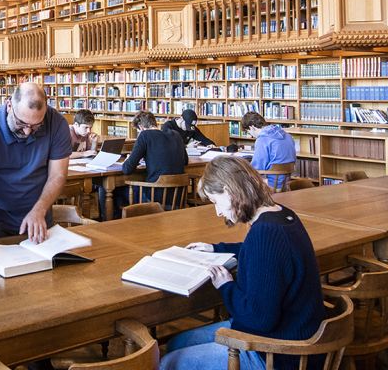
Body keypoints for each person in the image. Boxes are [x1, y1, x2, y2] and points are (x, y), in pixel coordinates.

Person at [161, 156, 326, 370]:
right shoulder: (281, 215)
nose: (218, 212)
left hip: (279, 352)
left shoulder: (265, 235)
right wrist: (215, 248)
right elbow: (259, 253)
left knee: (169, 362)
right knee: (175, 343)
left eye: (215, 201)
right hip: (294, 330)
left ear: (230, 191)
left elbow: (258, 318)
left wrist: (225, 286)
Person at [0, 82, 71, 243]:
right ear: (9, 106)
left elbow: (57, 175)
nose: (27, 131)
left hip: (40, 220)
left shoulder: (57, 123)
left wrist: (39, 210)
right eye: (21, 124)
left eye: (36, 125)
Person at [100, 110, 187, 220]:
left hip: (155, 197)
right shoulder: (176, 134)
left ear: (141, 127)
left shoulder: (145, 135)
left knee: (110, 190)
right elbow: (185, 162)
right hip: (178, 197)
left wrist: (130, 158)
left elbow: (127, 169)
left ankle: (114, 226)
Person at [241, 111, 296, 189]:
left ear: (252, 127)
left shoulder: (262, 140)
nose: (251, 135)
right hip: (285, 183)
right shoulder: (288, 136)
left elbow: (257, 167)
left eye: (249, 132)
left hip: (269, 185)